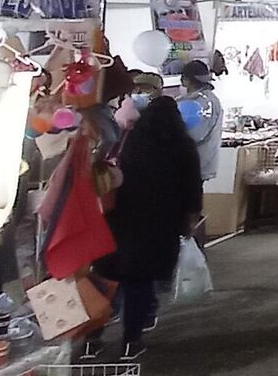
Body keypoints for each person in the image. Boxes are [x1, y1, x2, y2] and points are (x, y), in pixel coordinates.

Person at [96, 96, 201, 361]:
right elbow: (192, 188)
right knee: (139, 283)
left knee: (106, 282)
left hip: (118, 219)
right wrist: (190, 219)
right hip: (160, 224)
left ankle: (91, 341)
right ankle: (131, 342)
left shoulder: (128, 139)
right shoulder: (183, 146)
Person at [177, 60, 224, 184]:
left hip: (193, 162)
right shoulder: (207, 99)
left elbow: (194, 134)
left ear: (187, 80)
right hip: (196, 162)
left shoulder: (202, 101)